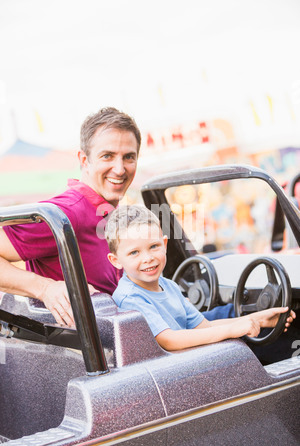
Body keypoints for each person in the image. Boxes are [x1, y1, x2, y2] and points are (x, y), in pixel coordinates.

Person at [0, 107, 141, 327]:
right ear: (84, 160)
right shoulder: (67, 213)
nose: (120, 169)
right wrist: (45, 288)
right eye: (107, 156)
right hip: (77, 354)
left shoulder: (109, 215)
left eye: (128, 157)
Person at [105, 205, 295, 351]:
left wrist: (257, 319)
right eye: (134, 253)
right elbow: (168, 340)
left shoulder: (168, 286)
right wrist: (231, 330)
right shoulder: (131, 298)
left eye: (153, 246)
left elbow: (204, 326)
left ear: (164, 244)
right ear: (116, 260)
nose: (147, 258)